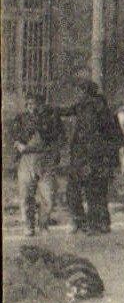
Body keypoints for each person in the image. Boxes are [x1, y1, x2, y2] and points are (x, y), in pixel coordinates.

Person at [67, 80, 124, 234]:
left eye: (80, 91)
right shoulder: (81, 107)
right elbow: (66, 112)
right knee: (76, 190)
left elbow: (116, 137)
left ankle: (97, 224)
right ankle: (87, 222)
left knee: (95, 190)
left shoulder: (100, 110)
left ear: (87, 93)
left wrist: (106, 155)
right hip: (80, 156)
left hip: (96, 156)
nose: (77, 94)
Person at [11, 90, 66, 236]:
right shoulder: (21, 118)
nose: (32, 107)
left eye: (35, 104)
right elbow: (13, 136)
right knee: (26, 194)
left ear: (42, 104)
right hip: (27, 159)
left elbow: (61, 138)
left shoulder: (52, 119)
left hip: (46, 159)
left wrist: (54, 151)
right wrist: (18, 144)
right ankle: (28, 226)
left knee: (48, 195)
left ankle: (43, 224)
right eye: (28, 104)